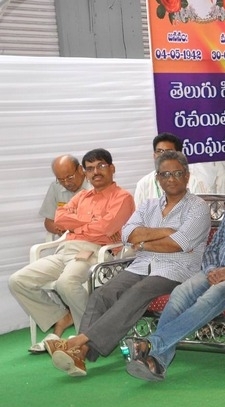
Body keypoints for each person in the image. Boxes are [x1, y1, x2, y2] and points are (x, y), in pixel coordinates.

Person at [46, 151, 210, 377]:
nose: (171, 179)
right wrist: (164, 233)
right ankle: (81, 354)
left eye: (177, 173)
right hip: (140, 265)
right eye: (165, 174)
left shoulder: (198, 207)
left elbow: (178, 244)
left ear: (187, 176)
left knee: (138, 292)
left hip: (176, 270)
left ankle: (78, 342)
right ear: (157, 178)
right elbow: (127, 235)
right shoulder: (149, 205)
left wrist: (144, 241)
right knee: (103, 293)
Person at [124, 162, 225, 382]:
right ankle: (157, 361)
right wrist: (211, 269)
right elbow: (213, 246)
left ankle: (153, 346)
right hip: (214, 269)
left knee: (208, 299)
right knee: (179, 294)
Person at [10, 149, 135, 352]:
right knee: (18, 281)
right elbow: (59, 219)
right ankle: (61, 317)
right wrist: (89, 222)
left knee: (66, 284)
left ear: (112, 168)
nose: (96, 172)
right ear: (85, 173)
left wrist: (76, 225)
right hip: (64, 250)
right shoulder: (82, 196)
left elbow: (105, 228)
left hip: (94, 252)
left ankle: (86, 337)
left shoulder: (122, 197)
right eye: (90, 168)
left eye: (101, 166)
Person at [133, 133, 208, 207]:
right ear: (154, 155)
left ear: (179, 155)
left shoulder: (195, 180)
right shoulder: (143, 184)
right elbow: (139, 213)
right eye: (159, 151)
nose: (163, 155)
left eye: (168, 152)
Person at [40, 155, 91, 238]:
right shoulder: (55, 187)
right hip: (67, 239)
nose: (66, 183)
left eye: (70, 177)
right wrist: (61, 230)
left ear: (80, 169)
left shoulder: (96, 184)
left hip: (91, 238)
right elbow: (49, 222)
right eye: (61, 180)